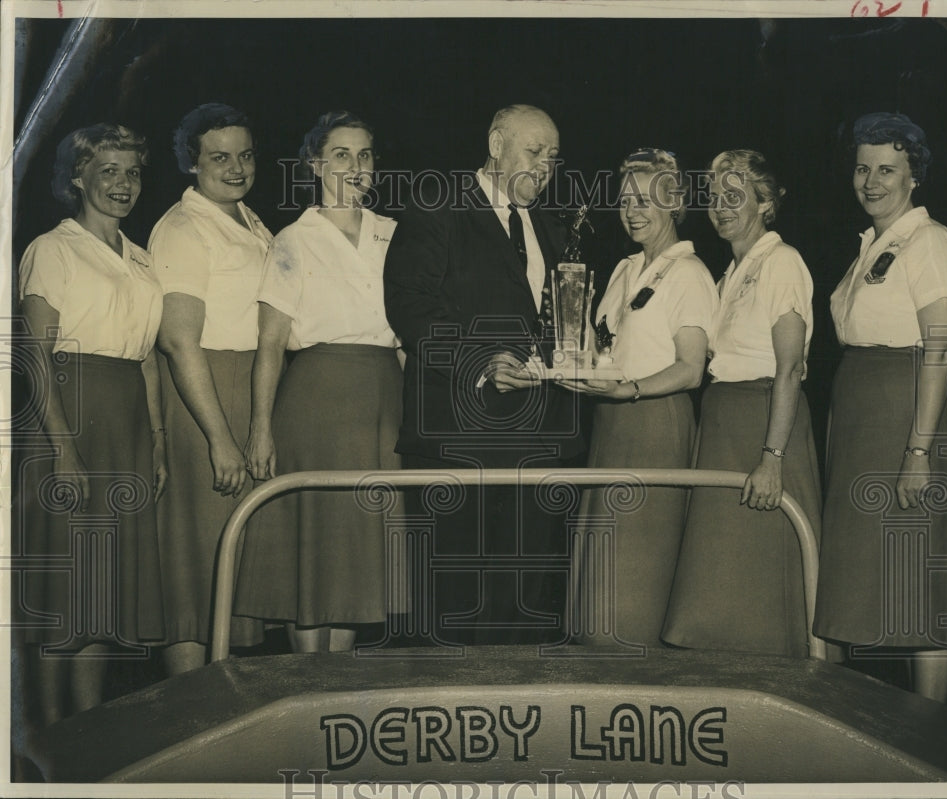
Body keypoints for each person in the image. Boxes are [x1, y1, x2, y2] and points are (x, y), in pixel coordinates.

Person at [383, 104, 583, 645]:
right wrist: (477, 360)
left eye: (553, 158)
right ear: (496, 145)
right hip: (456, 437)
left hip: (538, 441)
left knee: (526, 604)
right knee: (455, 608)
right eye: (533, 152)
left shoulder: (553, 226)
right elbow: (409, 305)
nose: (544, 167)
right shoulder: (438, 206)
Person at [813, 113, 947, 701]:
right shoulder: (873, 245)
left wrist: (918, 450)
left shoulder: (930, 241)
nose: (871, 180)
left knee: (921, 574)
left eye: (887, 169)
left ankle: (929, 727)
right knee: (873, 579)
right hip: (863, 418)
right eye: (862, 168)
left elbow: (940, 347)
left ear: (915, 176)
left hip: (909, 416)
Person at [236, 112, 402, 653]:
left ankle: (339, 684)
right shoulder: (294, 239)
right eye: (341, 155)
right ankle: (306, 685)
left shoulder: (393, 233)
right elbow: (269, 344)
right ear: (315, 164)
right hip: (318, 402)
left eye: (365, 155)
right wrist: (261, 429)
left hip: (383, 400)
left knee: (357, 553)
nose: (355, 167)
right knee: (315, 549)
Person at [15, 124, 166, 722]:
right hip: (70, 421)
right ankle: (49, 736)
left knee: (101, 589)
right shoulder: (51, 248)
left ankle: (90, 724)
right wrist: (65, 450)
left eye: (132, 172)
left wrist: (155, 442)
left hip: (126, 421)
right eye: (108, 171)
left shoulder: (142, 257)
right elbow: (34, 355)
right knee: (64, 589)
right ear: (77, 176)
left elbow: (149, 356)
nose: (123, 184)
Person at [661, 149, 822, 658]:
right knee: (720, 581)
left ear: (765, 202)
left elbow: (790, 367)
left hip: (764, 426)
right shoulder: (729, 275)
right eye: (714, 198)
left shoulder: (782, 261)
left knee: (764, 581)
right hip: (724, 426)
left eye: (736, 196)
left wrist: (771, 458)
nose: (722, 207)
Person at [556, 148, 717, 647]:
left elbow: (691, 370)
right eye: (626, 200)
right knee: (602, 567)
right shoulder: (626, 269)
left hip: (654, 422)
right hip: (611, 424)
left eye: (649, 199)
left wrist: (629, 391)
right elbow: (601, 348)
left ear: (676, 204)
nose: (634, 210)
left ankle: (636, 684)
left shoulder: (689, 273)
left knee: (637, 571)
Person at [149, 103, 271, 674]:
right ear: (191, 163)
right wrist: (220, 439)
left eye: (245, 155)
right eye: (219, 157)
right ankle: (185, 714)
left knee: (230, 556)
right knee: (194, 560)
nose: (236, 167)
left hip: (247, 387)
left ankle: (219, 708)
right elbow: (177, 340)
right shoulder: (183, 227)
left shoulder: (248, 219)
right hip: (206, 396)